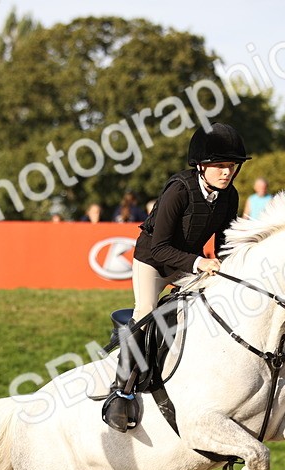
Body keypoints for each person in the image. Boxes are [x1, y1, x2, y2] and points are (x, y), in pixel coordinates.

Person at [101, 122, 249, 432]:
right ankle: (121, 392)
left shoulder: (229, 196)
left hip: (189, 265)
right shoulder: (179, 189)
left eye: (231, 166)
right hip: (154, 261)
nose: (227, 173)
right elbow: (160, 246)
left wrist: (226, 263)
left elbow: (224, 240)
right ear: (201, 165)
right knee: (145, 313)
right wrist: (199, 263)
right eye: (220, 166)